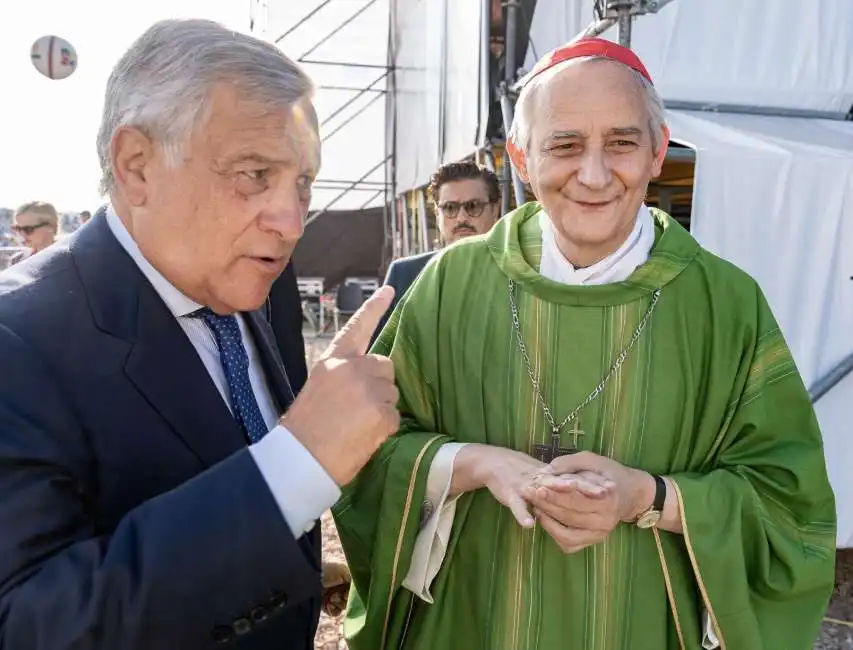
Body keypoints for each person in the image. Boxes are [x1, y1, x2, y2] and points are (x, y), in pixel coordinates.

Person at [333, 38, 836, 650]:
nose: (594, 175)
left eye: (621, 143)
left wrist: (649, 498)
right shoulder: (450, 284)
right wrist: (468, 463)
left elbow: (789, 504)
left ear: (657, 152)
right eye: (565, 145)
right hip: (472, 623)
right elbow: (361, 460)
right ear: (520, 157)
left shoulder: (724, 302)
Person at [0, 19, 399, 650]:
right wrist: (298, 465)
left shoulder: (256, 284)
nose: (293, 221)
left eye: (303, 182)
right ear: (136, 166)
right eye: (254, 174)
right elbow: (36, 624)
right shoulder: (16, 340)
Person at [373, 161, 501, 341]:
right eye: (450, 208)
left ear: (495, 209)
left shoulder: (523, 273)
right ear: (436, 213)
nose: (461, 217)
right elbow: (378, 355)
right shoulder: (405, 276)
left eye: (473, 206)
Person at [8, 200, 59, 265]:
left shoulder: (70, 261)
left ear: (50, 226)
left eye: (28, 229)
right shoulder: (17, 261)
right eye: (18, 228)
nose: (22, 234)